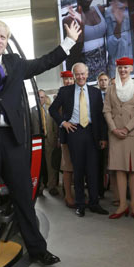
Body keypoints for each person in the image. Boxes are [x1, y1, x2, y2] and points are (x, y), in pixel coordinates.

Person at [0, 19, 81, 267]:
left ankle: (38, 249)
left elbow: (44, 62)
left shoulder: (13, 63)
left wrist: (69, 42)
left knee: (23, 196)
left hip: (13, 139)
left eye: (3, 37)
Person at [49, 63, 109, 217]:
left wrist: (103, 137)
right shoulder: (65, 91)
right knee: (78, 170)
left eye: (83, 74)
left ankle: (94, 203)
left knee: (93, 169)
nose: (81, 77)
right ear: (73, 76)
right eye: (77, 74)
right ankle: (80, 204)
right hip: (74, 132)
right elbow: (52, 109)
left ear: (87, 73)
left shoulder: (95, 93)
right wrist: (63, 123)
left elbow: (101, 118)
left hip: (92, 132)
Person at [103, 57, 134, 219]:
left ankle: (133, 205)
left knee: (133, 169)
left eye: (126, 68)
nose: (123, 70)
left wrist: (127, 128)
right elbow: (106, 110)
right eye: (120, 68)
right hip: (115, 134)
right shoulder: (111, 89)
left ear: (131, 69)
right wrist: (114, 129)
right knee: (119, 169)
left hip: (132, 133)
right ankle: (122, 205)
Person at [62, 0, 109, 81]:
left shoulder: (100, 10)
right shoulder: (69, 20)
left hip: (104, 75)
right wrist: (81, 26)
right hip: (85, 78)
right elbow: (73, 56)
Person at [58, 70, 78, 208]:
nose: (69, 81)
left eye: (71, 79)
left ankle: (78, 193)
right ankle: (68, 195)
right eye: (66, 79)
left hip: (80, 135)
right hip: (66, 134)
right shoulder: (61, 93)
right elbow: (57, 116)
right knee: (67, 167)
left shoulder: (79, 91)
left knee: (79, 167)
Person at [39, 89, 60, 196]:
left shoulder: (51, 110)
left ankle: (52, 186)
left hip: (50, 140)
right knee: (39, 166)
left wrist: (56, 139)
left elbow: (55, 126)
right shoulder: (33, 110)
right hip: (38, 142)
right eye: (38, 97)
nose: (40, 99)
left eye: (42, 97)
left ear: (45, 98)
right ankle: (40, 187)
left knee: (51, 165)